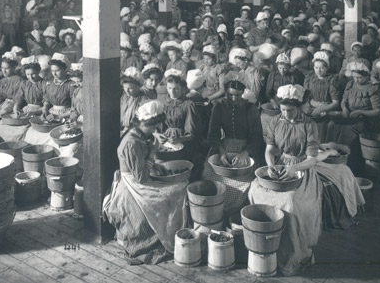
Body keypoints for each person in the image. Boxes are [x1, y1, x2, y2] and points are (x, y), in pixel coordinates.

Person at [250, 84, 364, 276]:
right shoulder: (275, 121)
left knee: (292, 202)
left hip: (303, 168)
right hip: (282, 164)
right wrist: (271, 165)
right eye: (283, 110)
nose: (286, 114)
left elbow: (311, 159)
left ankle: (294, 251)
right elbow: (270, 149)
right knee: (254, 189)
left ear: (299, 106)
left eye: (290, 110)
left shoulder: (308, 124)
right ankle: (264, 240)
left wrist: (294, 168)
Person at [103, 100, 188, 265]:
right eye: (154, 127)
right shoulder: (131, 142)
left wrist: (154, 161)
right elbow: (140, 176)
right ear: (144, 123)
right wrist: (153, 153)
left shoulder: (139, 134)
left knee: (180, 186)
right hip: (132, 184)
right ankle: (165, 237)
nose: (155, 130)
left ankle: (174, 232)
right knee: (174, 192)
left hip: (138, 177)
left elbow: (143, 160)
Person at [203, 80, 264, 217]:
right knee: (209, 175)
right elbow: (213, 134)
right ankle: (215, 212)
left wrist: (244, 154)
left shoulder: (250, 108)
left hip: (246, 148)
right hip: (224, 146)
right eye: (230, 95)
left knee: (245, 181)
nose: (234, 98)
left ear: (243, 93)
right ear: (226, 93)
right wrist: (221, 150)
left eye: (237, 95)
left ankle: (231, 214)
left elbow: (257, 137)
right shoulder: (219, 107)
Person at [326, 62, 380, 174]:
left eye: (359, 78)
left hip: (366, 120)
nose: (356, 80)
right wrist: (345, 109)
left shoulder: (372, 89)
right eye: (354, 77)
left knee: (347, 131)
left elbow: (377, 111)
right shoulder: (350, 84)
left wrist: (361, 112)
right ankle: (331, 160)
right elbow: (344, 101)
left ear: (366, 76)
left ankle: (349, 164)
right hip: (350, 116)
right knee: (331, 125)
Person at [158, 75, 199, 165]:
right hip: (165, 140)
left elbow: (192, 133)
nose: (172, 92)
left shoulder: (188, 104)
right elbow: (157, 127)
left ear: (183, 89)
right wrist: (158, 135)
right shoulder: (162, 103)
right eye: (169, 88)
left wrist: (180, 139)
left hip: (183, 141)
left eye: (176, 88)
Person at [303, 52, 341, 141]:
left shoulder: (331, 81)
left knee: (320, 128)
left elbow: (336, 103)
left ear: (327, 68)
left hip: (326, 111)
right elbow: (306, 97)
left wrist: (321, 109)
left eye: (322, 68)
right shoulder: (310, 79)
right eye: (316, 67)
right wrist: (311, 103)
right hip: (312, 108)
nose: (318, 71)